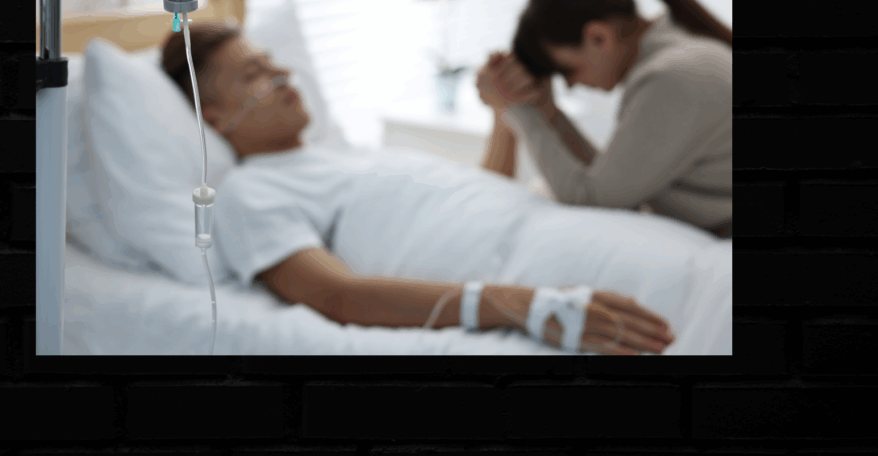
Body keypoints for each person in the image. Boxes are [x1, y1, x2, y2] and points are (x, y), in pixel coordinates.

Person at [161, 22, 678, 355]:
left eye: (272, 61)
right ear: (216, 118)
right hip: (538, 273)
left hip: (561, 229)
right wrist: (519, 303)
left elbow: (477, 198)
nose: (281, 74)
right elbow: (337, 295)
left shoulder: (343, 153)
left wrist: (503, 117)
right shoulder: (251, 192)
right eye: (254, 73)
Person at [475, 0, 732, 238]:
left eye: (567, 71)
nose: (571, 85)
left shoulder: (669, 78)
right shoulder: (679, 52)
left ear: (598, 38)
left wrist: (516, 105)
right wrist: (547, 110)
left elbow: (591, 199)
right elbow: (610, 184)